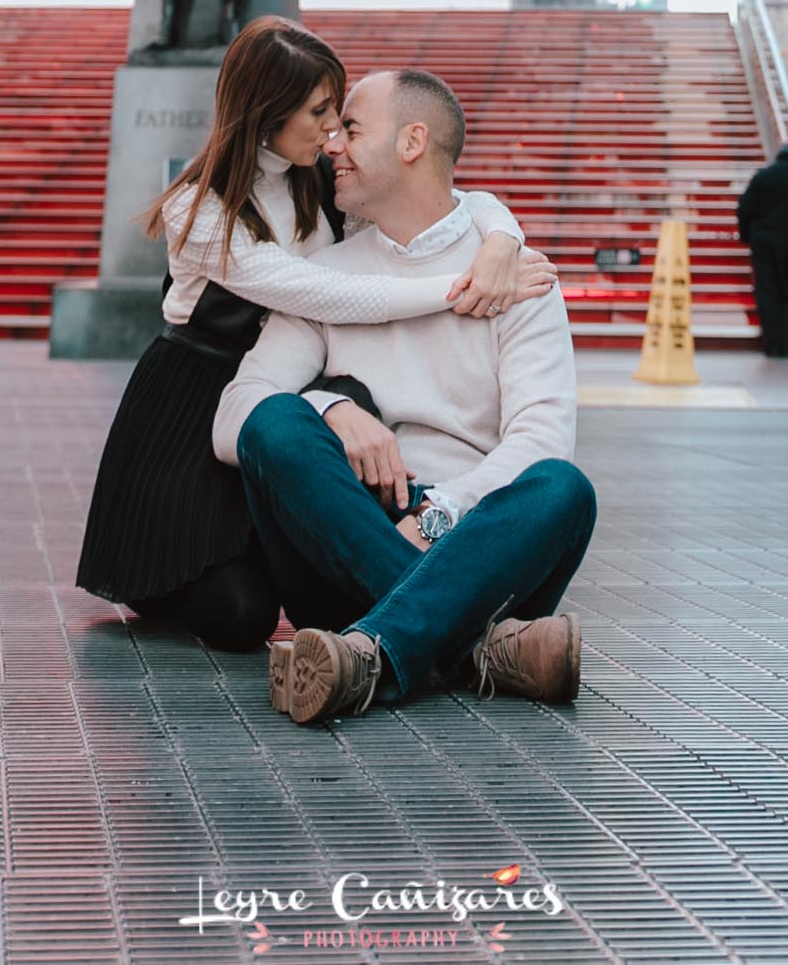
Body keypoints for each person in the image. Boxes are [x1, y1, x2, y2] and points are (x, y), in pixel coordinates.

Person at [76, 18, 554, 651]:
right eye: (319, 112)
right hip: (197, 401)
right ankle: (467, 642)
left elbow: (446, 189)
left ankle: (416, 630)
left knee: (295, 548)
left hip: (290, 385)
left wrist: (500, 237)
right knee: (239, 616)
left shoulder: (320, 181)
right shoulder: (201, 209)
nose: (334, 133)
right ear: (267, 110)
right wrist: (464, 285)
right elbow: (329, 294)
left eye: (340, 114)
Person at [212, 68, 596, 726]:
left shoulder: (515, 274)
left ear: (412, 141)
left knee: (562, 487)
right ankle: (475, 648)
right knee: (276, 418)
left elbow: (541, 437)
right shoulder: (326, 278)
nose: (333, 145)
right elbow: (232, 421)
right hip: (350, 531)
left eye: (352, 129)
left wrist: (441, 512)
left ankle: (372, 651)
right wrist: (329, 409)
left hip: (478, 541)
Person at [735, 143, 788, 357]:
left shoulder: (764, 176)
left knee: (766, 290)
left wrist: (746, 235)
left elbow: (744, 207)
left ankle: (772, 341)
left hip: (763, 240)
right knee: (784, 289)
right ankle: (786, 340)